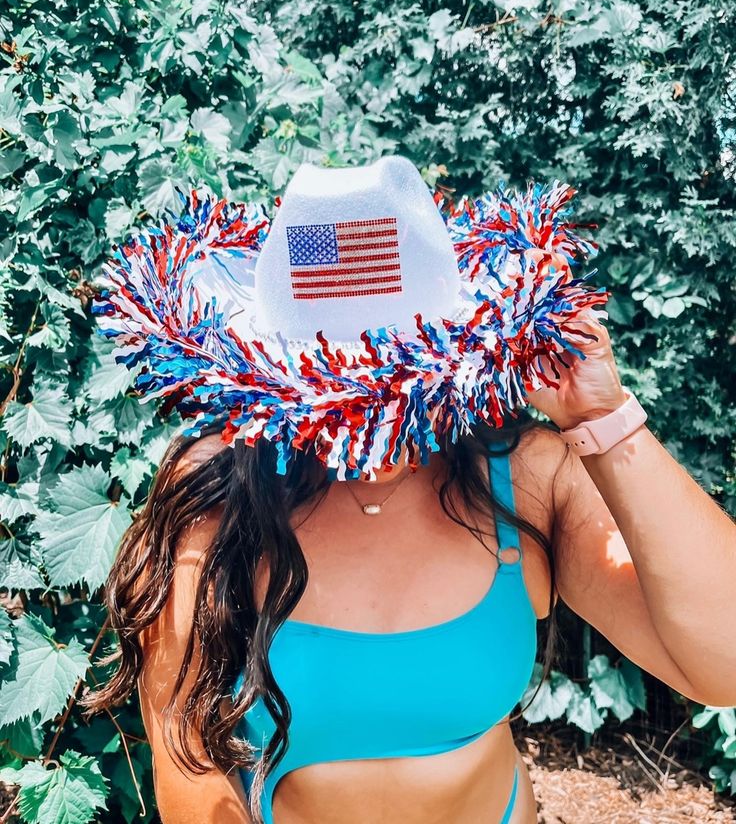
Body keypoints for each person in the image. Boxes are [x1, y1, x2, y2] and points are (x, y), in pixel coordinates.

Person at [87, 156, 736, 824]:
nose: (373, 434)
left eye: (404, 389)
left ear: (454, 363)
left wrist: (607, 420)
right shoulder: (217, 491)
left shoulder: (526, 479)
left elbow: (724, 662)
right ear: (276, 380)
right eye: (337, 399)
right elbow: (185, 753)